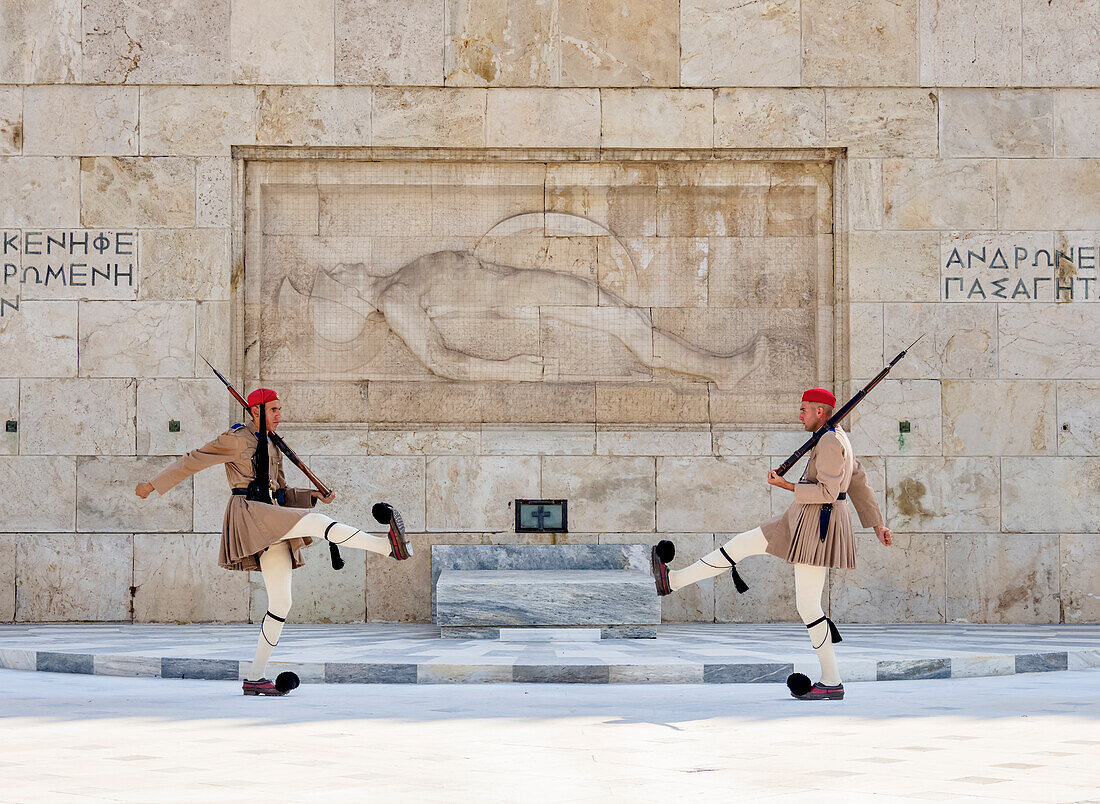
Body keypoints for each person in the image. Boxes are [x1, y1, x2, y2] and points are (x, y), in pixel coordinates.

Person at [134, 388, 411, 696]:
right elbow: (193, 461)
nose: (280, 414)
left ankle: (255, 677)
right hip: (251, 514)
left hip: (272, 514)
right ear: (256, 411)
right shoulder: (237, 438)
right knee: (318, 524)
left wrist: (312, 494)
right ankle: (388, 548)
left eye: (280, 408)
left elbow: (279, 491)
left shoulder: (271, 443)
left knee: (282, 602)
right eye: (274, 409)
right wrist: (151, 485)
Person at [650, 388, 893, 700]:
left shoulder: (831, 440)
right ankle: (673, 581)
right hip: (801, 518)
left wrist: (786, 485)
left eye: (804, 409)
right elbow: (859, 480)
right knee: (741, 544)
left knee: (807, 605)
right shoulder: (835, 435)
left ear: (820, 411)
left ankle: (831, 681)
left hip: (815, 525)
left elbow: (830, 492)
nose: (800, 414)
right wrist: (877, 524)